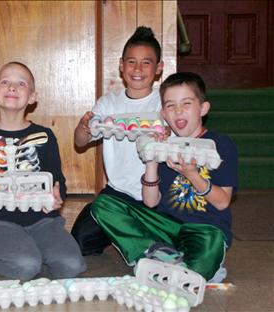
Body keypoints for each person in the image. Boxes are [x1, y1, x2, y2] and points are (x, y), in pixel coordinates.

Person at [92, 72, 238, 282]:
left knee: (209, 247)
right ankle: (156, 252)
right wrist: (151, 159)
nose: (178, 111)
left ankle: (182, 266)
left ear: (203, 108)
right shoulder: (166, 143)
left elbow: (223, 202)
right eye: (170, 106)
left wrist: (191, 174)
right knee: (104, 204)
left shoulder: (220, 144)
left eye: (186, 104)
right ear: (163, 113)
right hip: (166, 227)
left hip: (204, 229)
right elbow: (151, 202)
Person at [0, 62, 86, 280]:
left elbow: (57, 180)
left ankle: (29, 246)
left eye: (21, 83)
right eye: (5, 82)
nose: (12, 87)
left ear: (32, 97)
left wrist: (58, 197)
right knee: (27, 266)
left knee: (72, 265)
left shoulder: (45, 136)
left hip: (43, 218)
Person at [71, 26, 164, 256]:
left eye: (146, 62)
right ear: (121, 66)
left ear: (159, 68)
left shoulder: (165, 102)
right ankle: (127, 233)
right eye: (131, 62)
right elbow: (80, 142)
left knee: (171, 230)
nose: (138, 69)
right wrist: (84, 127)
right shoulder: (109, 103)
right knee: (80, 242)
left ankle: (134, 236)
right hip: (117, 194)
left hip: (155, 195)